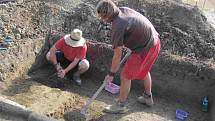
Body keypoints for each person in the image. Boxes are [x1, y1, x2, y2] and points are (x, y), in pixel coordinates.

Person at [96, 0, 161, 113]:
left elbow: (117, 55)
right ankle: (147, 97)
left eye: (102, 17)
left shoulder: (118, 26)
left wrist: (111, 74)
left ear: (107, 15)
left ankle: (120, 105)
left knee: (125, 76)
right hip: (154, 41)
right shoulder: (122, 10)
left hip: (144, 48)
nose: (102, 20)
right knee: (144, 70)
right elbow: (134, 27)